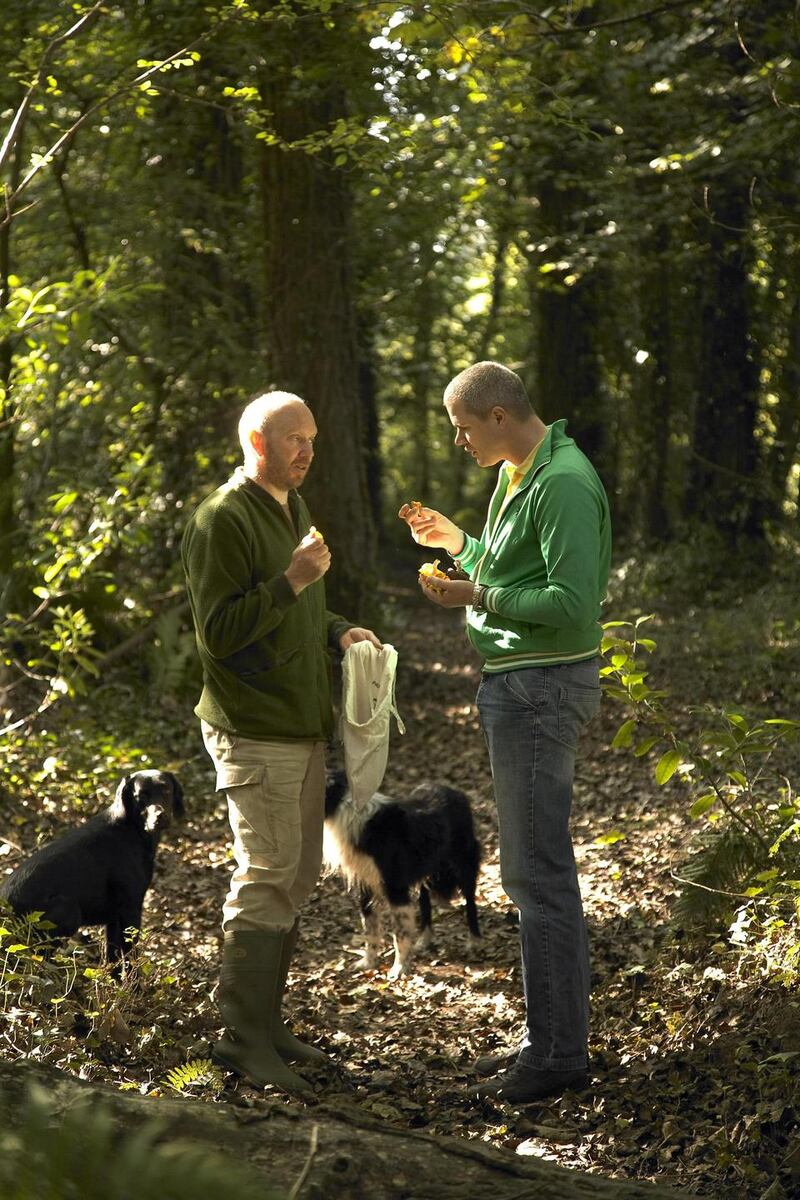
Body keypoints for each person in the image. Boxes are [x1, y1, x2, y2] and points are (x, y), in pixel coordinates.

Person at [399, 361, 611, 1104]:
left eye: (462, 427)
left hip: (541, 690)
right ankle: (549, 1042)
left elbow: (571, 603)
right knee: (532, 873)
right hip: (518, 687)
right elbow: (513, 566)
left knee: (536, 876)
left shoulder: (562, 481)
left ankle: (557, 1055)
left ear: (496, 415)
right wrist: (459, 542)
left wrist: (475, 591)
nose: (457, 442)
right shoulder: (518, 473)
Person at [182, 390, 380, 1093]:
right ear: (256, 442)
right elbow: (220, 636)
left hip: (300, 723)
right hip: (252, 725)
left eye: (313, 439)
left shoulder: (291, 506)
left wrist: (338, 631)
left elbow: (299, 611)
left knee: (295, 877)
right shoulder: (221, 519)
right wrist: (293, 580)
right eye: (294, 439)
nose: (307, 451)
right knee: (266, 875)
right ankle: (240, 1040)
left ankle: (267, 1028)